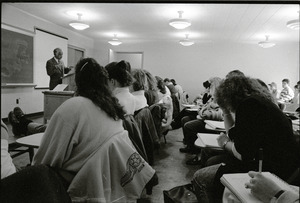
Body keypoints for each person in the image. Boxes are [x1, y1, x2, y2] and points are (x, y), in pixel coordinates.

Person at [33, 58, 155, 202]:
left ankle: (25, 124)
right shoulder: (113, 108)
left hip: (75, 184)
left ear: (76, 82)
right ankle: (27, 124)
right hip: (108, 184)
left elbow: (45, 160)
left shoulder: (72, 107)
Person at [192, 76, 299, 202]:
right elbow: (234, 133)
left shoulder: (248, 105)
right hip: (282, 164)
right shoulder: (259, 103)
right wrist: (226, 112)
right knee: (212, 160)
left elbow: (242, 154)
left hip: (271, 170)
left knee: (200, 178)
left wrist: (224, 143)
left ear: (227, 95)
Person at [179, 77, 223, 156]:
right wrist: (202, 111)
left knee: (188, 125)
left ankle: (194, 150)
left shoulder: (219, 98)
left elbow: (209, 113)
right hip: (206, 119)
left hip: (210, 122)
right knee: (185, 119)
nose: (207, 89)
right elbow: (203, 108)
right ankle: (190, 146)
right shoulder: (213, 97)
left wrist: (202, 111)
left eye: (209, 86)